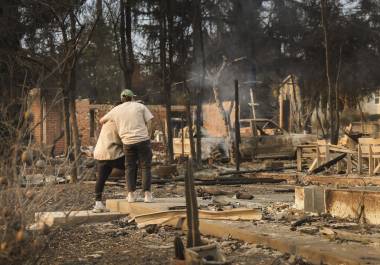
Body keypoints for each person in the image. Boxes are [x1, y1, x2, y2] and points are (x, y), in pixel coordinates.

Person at [100, 89, 154, 203]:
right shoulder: (139, 106)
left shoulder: (116, 110)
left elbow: (102, 120)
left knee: (130, 167)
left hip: (127, 142)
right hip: (143, 140)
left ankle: (131, 195)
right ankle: (147, 195)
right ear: (132, 97)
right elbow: (150, 121)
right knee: (145, 167)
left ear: (121, 99)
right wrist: (148, 134)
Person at [92, 117, 125, 212]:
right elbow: (123, 140)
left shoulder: (106, 123)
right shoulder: (119, 122)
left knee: (101, 178)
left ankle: (98, 203)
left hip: (101, 153)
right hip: (112, 154)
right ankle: (132, 194)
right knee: (132, 166)